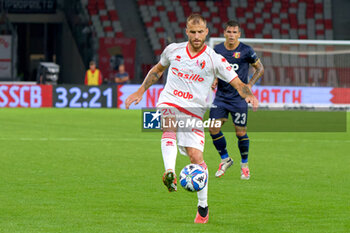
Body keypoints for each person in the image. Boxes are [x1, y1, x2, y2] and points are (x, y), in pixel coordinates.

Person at [125, 14, 258, 224]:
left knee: (196, 158)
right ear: (186, 32)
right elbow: (157, 70)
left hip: (194, 113)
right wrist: (141, 91)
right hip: (170, 101)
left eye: (200, 32)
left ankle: (203, 207)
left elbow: (236, 82)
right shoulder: (173, 50)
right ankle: (169, 172)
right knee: (168, 123)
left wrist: (247, 93)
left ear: (206, 32)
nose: (196, 36)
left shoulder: (214, 59)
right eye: (192, 32)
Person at [209, 20, 264, 180]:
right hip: (221, 97)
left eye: (235, 32)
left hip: (238, 98)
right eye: (229, 32)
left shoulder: (246, 50)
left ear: (239, 34)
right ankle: (225, 159)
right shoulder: (217, 49)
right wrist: (214, 79)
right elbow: (212, 68)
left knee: (240, 132)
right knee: (213, 128)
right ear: (224, 33)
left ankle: (244, 165)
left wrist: (249, 85)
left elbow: (260, 68)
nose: (232, 35)